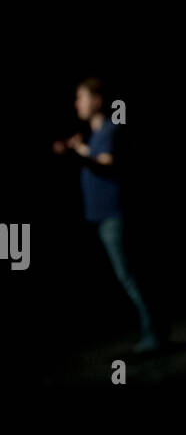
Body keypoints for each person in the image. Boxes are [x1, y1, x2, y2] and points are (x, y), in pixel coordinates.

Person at [52, 77, 163, 354]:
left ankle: (155, 335)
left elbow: (106, 163)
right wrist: (73, 148)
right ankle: (154, 332)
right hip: (99, 216)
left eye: (81, 97)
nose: (77, 103)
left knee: (129, 276)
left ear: (97, 100)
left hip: (113, 215)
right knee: (127, 276)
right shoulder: (92, 135)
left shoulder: (111, 130)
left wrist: (80, 153)